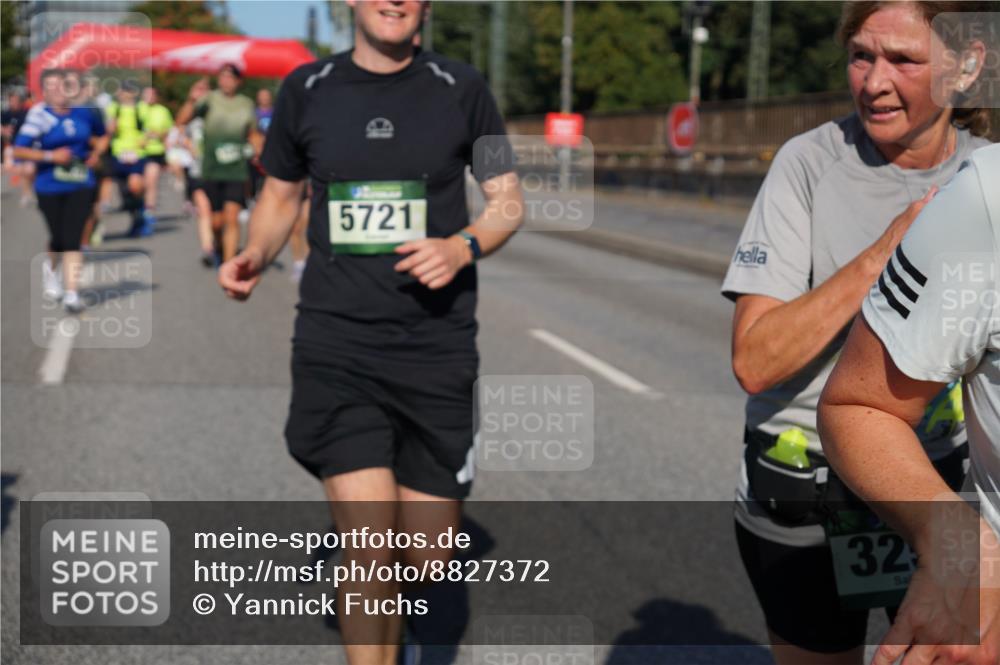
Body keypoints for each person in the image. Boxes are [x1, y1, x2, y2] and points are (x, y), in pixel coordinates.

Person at [217, 1, 523, 662]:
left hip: (434, 348)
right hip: (337, 343)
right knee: (367, 544)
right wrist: (253, 254)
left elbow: (508, 200)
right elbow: (278, 195)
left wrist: (462, 245)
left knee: (428, 553)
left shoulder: (465, 89)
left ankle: (404, 625)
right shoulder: (307, 89)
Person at [719, 1, 994, 662]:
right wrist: (886, 254)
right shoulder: (807, 164)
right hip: (808, 487)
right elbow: (755, 360)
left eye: (902, 59)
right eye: (860, 56)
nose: (873, 81)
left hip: (933, 489)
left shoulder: (984, 178)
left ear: (966, 69)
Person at [819, 142, 1000, 665]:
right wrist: (959, 540)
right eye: (861, 56)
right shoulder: (985, 196)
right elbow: (855, 402)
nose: (878, 82)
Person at [13, 69, 105, 314]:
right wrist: (51, 155)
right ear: (44, 91)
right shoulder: (40, 117)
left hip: (81, 183)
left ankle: (72, 293)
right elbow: (18, 151)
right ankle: (51, 271)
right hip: (49, 185)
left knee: (73, 238)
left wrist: (96, 154)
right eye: (51, 87)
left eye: (63, 85)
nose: (58, 91)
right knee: (58, 238)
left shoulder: (84, 114)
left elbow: (103, 135)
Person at [175, 64, 261, 263]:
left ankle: (229, 262)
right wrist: (191, 99)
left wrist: (257, 148)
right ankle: (219, 246)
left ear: (239, 81)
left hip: (237, 169)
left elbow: (252, 133)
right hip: (212, 169)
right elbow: (181, 120)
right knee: (216, 221)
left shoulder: (246, 104)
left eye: (230, 77)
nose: (226, 81)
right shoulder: (209, 99)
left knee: (232, 216)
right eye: (222, 76)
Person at [106, 82, 152, 237]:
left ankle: (141, 214)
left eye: (127, 91)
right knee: (125, 192)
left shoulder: (142, 108)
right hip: (119, 153)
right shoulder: (114, 108)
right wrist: (112, 126)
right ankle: (135, 216)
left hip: (137, 154)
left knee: (135, 186)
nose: (124, 94)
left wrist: (145, 138)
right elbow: (109, 130)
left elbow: (150, 128)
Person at [138, 86, 174, 219]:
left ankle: (149, 211)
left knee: (151, 181)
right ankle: (138, 207)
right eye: (147, 95)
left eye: (152, 95)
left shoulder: (163, 111)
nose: (150, 97)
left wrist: (158, 135)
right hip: (137, 151)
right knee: (139, 184)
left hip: (155, 151)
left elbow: (168, 130)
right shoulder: (137, 109)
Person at [2, 91, 36, 207]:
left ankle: (26, 194)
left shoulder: (27, 113)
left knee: (26, 171)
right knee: (5, 169)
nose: (14, 103)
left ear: (21, 102)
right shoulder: (5, 113)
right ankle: (27, 193)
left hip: (25, 148)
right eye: (12, 101)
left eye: (16, 101)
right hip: (9, 147)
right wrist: (4, 130)